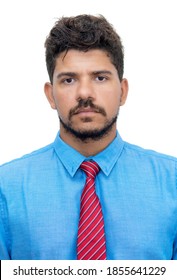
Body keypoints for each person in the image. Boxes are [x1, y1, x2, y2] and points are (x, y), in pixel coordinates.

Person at [0, 14, 177, 260]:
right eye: (69, 80)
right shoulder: (6, 188)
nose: (85, 93)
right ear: (50, 95)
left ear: (123, 91)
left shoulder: (173, 182)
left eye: (100, 78)